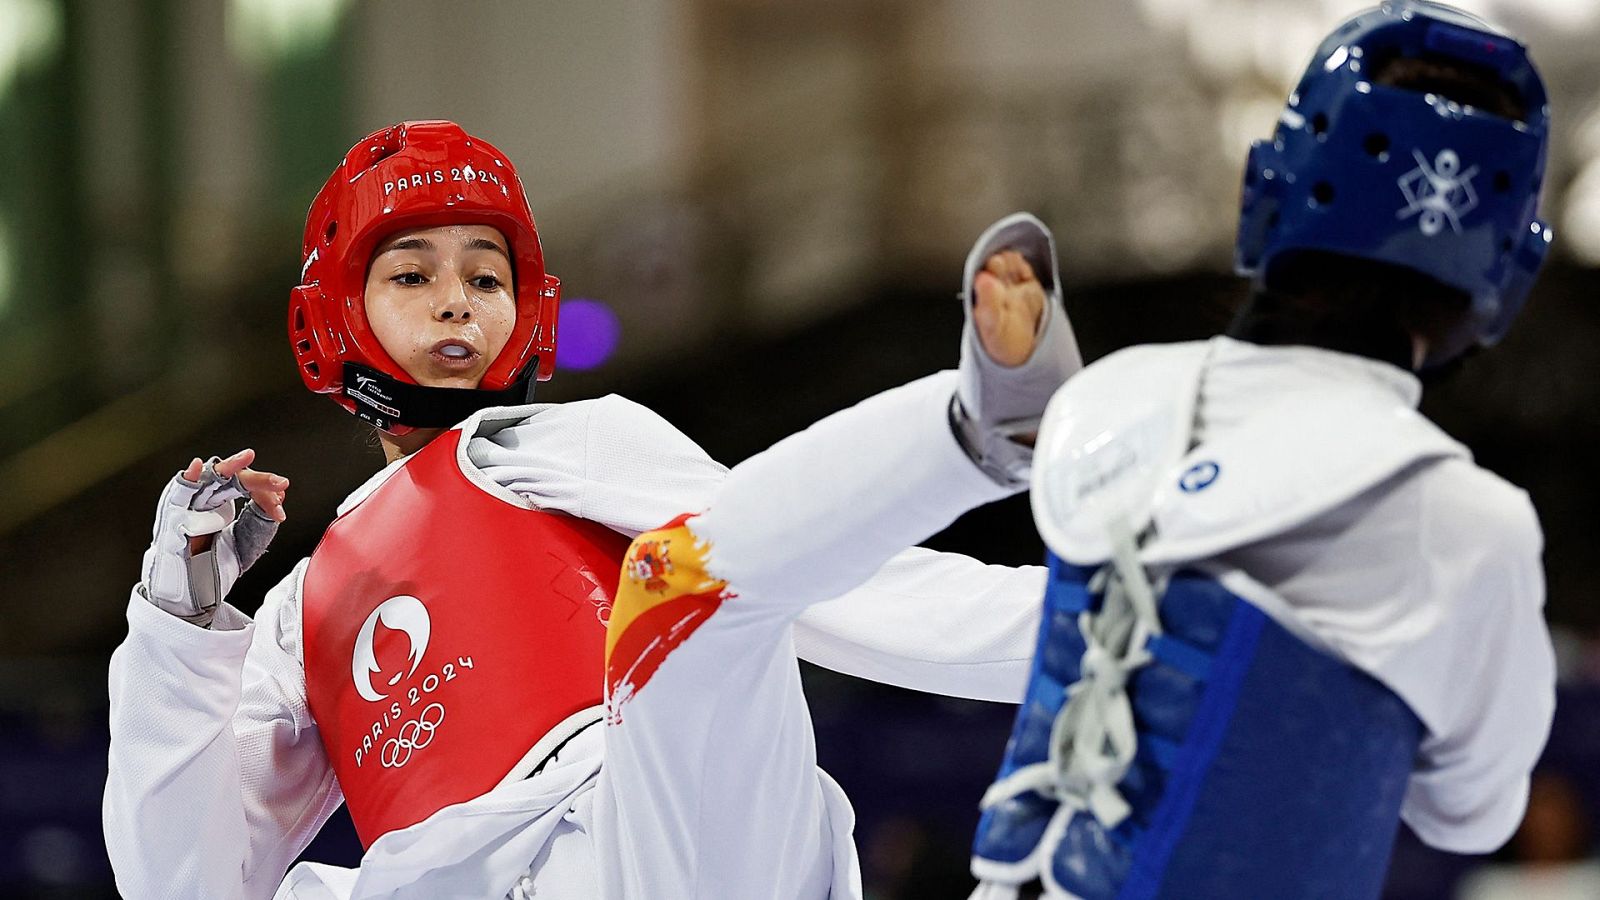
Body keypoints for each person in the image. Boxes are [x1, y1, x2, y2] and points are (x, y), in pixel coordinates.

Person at [103, 119, 1078, 899]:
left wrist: (1087, 629)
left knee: (691, 586)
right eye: (412, 274)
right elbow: (182, 881)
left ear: (527, 311)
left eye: (486, 276)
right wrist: (178, 624)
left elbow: (835, 578)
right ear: (333, 319)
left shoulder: (573, 444)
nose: (457, 301)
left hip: (664, 846)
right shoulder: (297, 610)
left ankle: (978, 423)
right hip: (443, 880)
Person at [962, 3, 1558, 898]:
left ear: (1271, 190)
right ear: (1500, 272)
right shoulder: (1471, 526)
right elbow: (1470, 811)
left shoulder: (1104, 405)